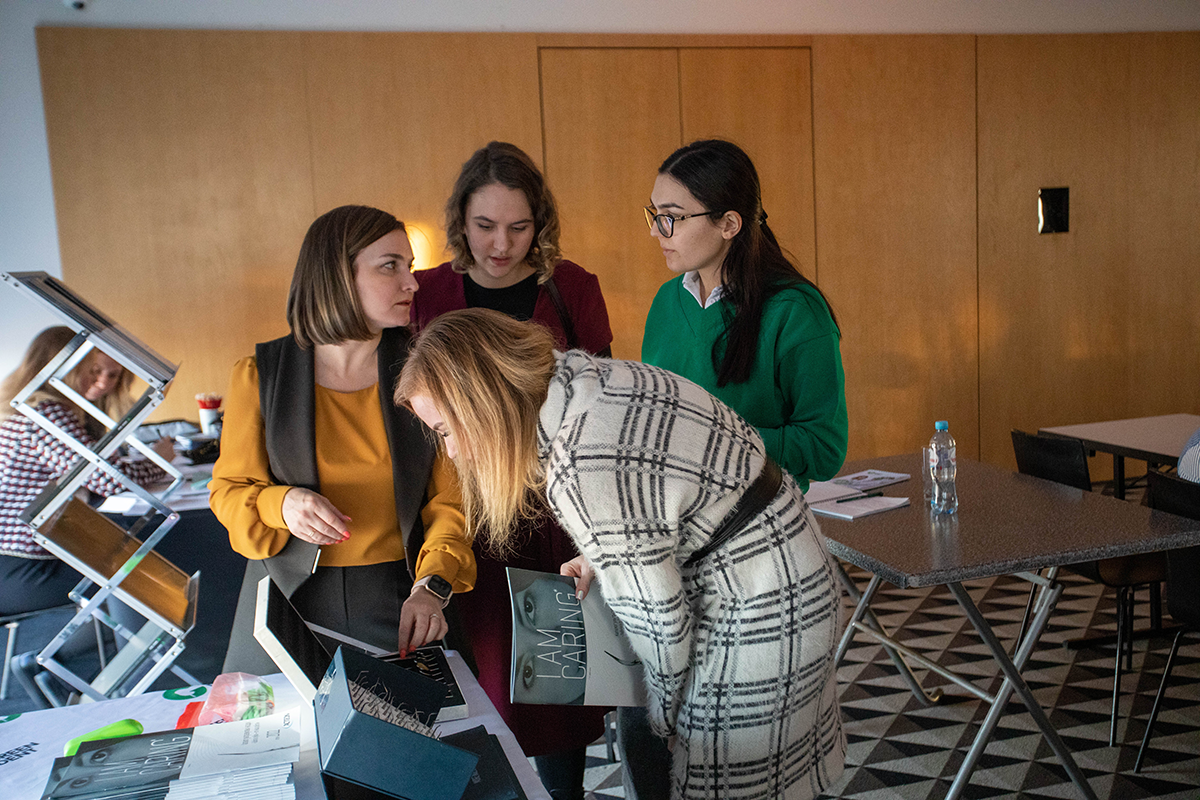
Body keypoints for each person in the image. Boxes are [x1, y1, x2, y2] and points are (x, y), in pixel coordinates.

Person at [397, 309, 845, 800]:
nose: (452, 452)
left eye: (446, 430)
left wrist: (668, 719)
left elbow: (660, 624)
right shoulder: (583, 378)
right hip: (785, 561)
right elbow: (667, 489)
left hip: (760, 602)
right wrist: (603, 557)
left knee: (731, 782)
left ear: (482, 402)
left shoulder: (579, 462)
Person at [632, 138, 850, 798]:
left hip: (762, 561)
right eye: (653, 213)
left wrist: (716, 441)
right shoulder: (667, 303)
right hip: (673, 551)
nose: (656, 231)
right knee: (657, 732)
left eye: (672, 217)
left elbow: (822, 445)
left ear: (729, 223)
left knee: (750, 750)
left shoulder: (794, 310)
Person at [411, 141, 613, 800]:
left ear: (540, 224)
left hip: (549, 517)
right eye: (485, 226)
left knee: (555, 698)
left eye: (519, 227)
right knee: (478, 693)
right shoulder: (429, 292)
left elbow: (601, 404)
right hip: (464, 514)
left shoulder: (571, 287)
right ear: (460, 222)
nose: (502, 244)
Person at [210, 205, 475, 676]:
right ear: (337, 276)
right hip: (286, 605)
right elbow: (229, 493)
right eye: (390, 266)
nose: (412, 283)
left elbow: (451, 506)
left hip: (403, 602)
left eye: (409, 266)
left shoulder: (427, 375)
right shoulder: (258, 376)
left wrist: (433, 586)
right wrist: (282, 504)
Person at [0, 326, 173, 615]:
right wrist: (159, 462)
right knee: (136, 573)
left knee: (129, 564)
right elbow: (110, 480)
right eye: (91, 370)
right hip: (24, 568)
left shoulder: (33, 409)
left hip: (18, 564)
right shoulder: (46, 413)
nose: (97, 381)